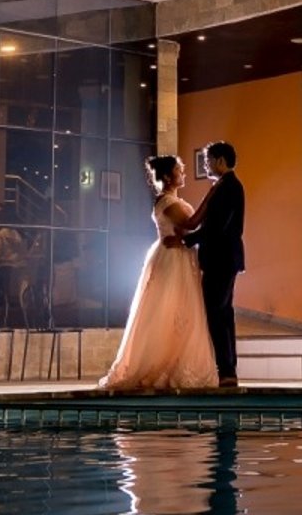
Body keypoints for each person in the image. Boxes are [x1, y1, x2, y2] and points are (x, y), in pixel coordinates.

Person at [98, 154, 220, 392]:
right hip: (171, 259)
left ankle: (175, 363)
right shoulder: (166, 202)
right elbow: (191, 224)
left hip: (180, 256)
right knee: (168, 311)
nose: (183, 173)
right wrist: (211, 195)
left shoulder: (171, 200)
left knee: (179, 312)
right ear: (167, 176)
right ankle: (160, 365)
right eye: (179, 170)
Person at [168, 140, 245, 387]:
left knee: (216, 313)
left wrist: (186, 239)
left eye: (207, 160)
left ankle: (226, 370)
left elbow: (215, 227)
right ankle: (228, 369)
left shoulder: (229, 187)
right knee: (222, 313)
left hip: (221, 259)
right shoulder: (223, 186)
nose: (205, 164)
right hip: (223, 258)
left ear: (220, 161)